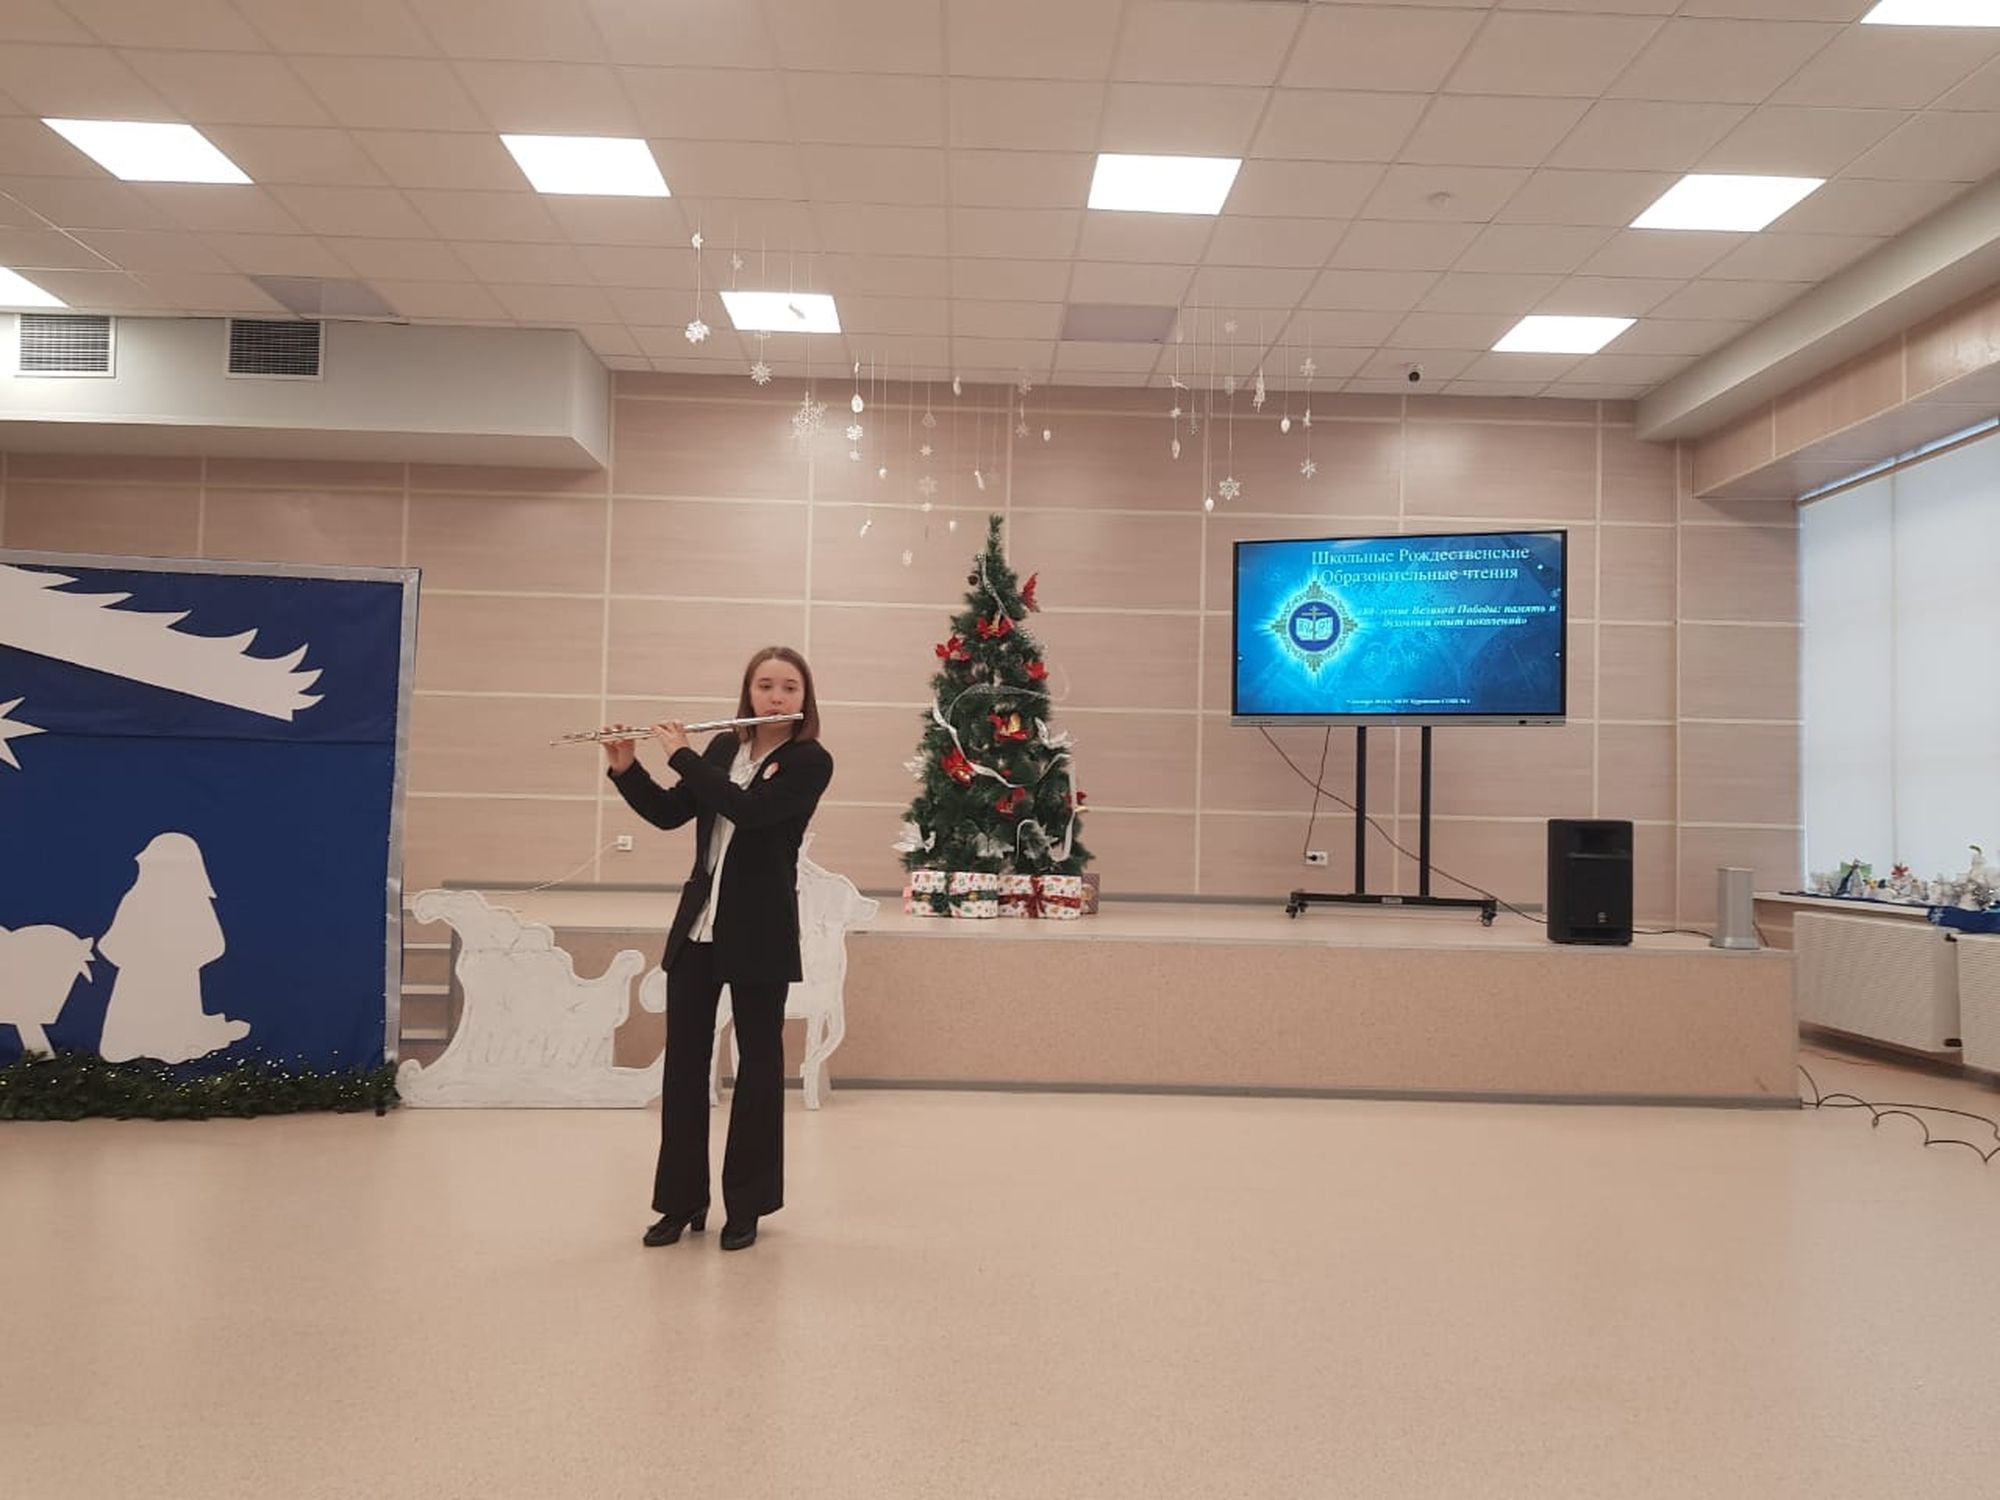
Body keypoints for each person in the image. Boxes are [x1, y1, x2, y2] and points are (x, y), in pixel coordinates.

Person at [602, 646, 833, 1253]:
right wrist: (628, 768)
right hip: (698, 928)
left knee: (758, 1069)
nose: (776, 697)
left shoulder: (810, 761)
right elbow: (671, 813)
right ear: (748, 692)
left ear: (804, 698)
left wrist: (680, 753)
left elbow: (750, 813)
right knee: (684, 1068)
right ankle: (681, 1203)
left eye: (789, 687)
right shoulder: (723, 748)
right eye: (765, 685)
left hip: (760, 930)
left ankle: (747, 1206)